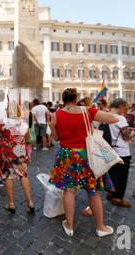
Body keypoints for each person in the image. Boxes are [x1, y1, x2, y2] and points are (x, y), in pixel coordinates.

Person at [49, 88, 118, 237]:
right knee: (92, 191)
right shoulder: (87, 110)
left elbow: (56, 138)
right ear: (75, 99)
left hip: (67, 154)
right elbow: (114, 119)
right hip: (86, 154)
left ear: (63, 99)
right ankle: (100, 227)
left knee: (69, 190)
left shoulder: (55, 115)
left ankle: (69, 225)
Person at [0, 99, 34, 214]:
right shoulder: (24, 123)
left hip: (8, 154)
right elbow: (27, 139)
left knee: (8, 177)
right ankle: (30, 202)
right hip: (20, 153)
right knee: (23, 176)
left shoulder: (4, 122)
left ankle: (11, 203)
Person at [107, 98, 135, 208]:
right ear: (120, 106)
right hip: (121, 150)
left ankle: (111, 192)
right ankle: (117, 197)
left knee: (112, 173)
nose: (125, 111)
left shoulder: (105, 116)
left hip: (109, 149)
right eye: (125, 108)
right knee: (121, 176)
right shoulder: (120, 118)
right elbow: (126, 137)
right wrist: (133, 133)